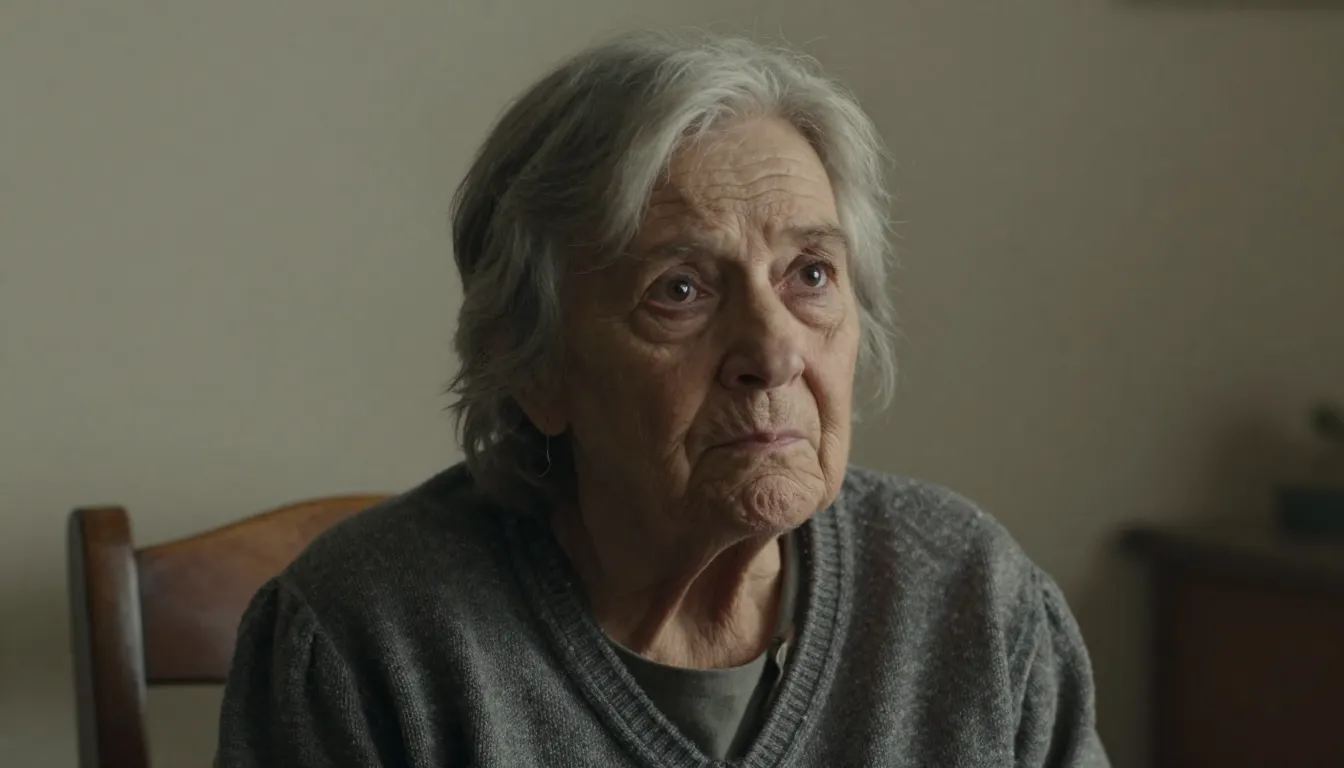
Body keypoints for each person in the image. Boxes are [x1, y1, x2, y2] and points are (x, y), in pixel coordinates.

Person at [216, 30, 1109, 768]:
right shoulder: (365, 640)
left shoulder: (970, 597)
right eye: (679, 290)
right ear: (536, 368)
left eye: (810, 274)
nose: (773, 353)